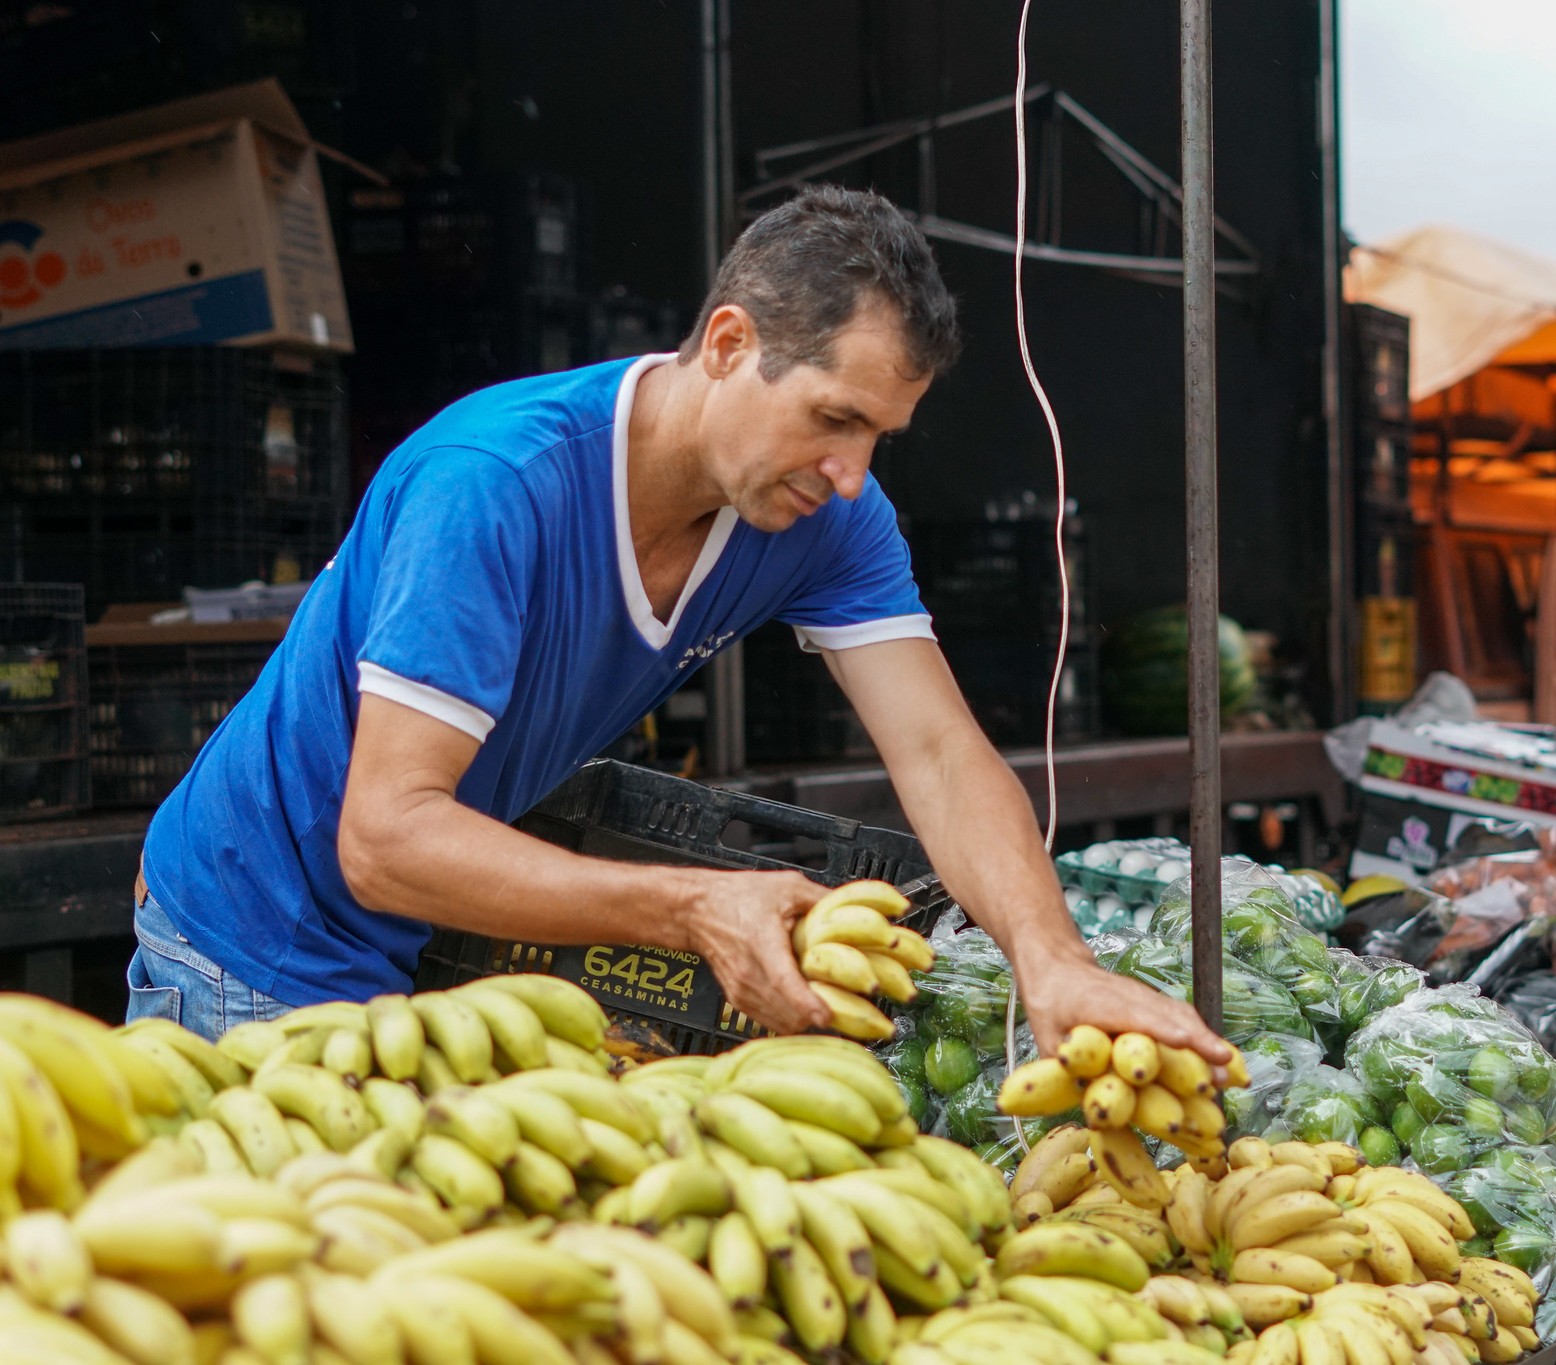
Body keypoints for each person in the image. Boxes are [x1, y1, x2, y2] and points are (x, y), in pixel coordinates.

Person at [126, 184, 1228, 1070]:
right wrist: (694, 906)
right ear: (728, 342)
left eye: (882, 435)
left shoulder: (826, 517)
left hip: (409, 944)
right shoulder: (494, 483)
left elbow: (938, 753)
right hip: (246, 937)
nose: (852, 473)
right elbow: (383, 837)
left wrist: (1050, 961)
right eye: (833, 419)